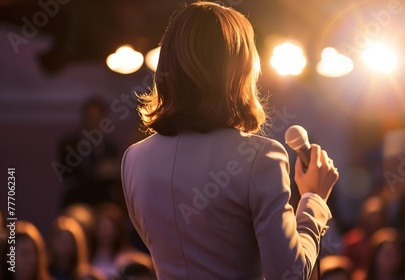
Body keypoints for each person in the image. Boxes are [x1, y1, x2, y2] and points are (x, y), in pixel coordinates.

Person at [121, 2, 339, 279]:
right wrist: (313, 200)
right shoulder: (261, 157)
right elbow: (289, 274)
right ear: (240, 71)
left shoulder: (134, 160)